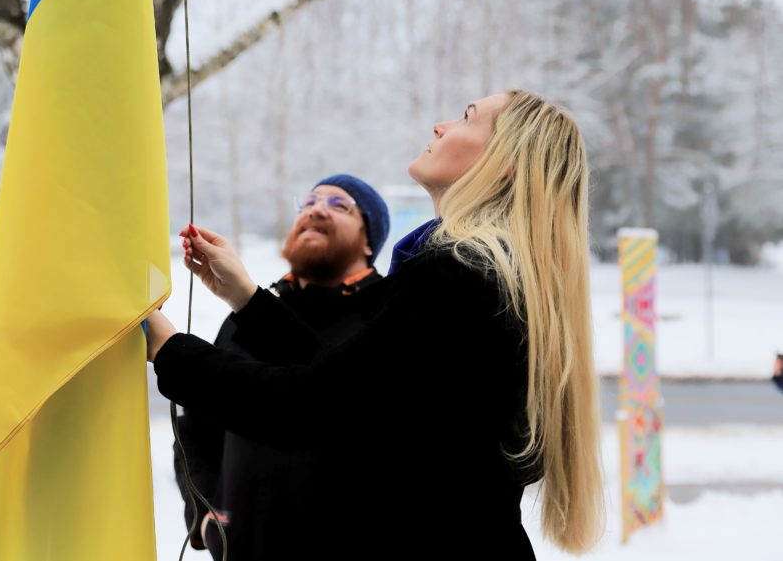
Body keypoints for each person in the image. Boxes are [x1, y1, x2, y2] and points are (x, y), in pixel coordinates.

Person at [147, 89, 604, 559]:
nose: (440, 126)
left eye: (467, 118)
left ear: (504, 163)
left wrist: (168, 347)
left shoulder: (456, 275)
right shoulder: (492, 274)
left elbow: (306, 406)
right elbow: (353, 389)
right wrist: (244, 296)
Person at [175, 174, 390, 560]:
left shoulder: (388, 316)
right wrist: (204, 515)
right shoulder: (245, 316)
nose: (316, 209)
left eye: (339, 205)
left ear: (369, 239)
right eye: (307, 203)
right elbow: (195, 429)